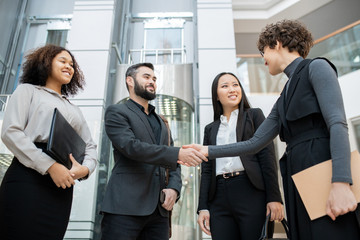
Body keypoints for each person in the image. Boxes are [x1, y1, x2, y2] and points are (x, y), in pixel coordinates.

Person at [185, 19, 360, 239]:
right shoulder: (283, 95)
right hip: (296, 174)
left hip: (323, 169)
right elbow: (254, 143)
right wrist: (206, 151)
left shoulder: (317, 67)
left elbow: (337, 123)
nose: (263, 60)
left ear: (276, 43)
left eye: (263, 51)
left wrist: (341, 182)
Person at [0, 44, 98, 240]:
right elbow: (10, 132)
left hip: (62, 186)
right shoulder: (27, 91)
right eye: (63, 61)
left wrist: (85, 170)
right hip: (27, 176)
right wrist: (50, 166)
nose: (69, 67)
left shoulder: (74, 109)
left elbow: (90, 147)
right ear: (46, 62)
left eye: (72, 64)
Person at [100, 62, 207, 240]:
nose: (152, 82)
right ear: (130, 81)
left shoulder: (162, 121)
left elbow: (173, 162)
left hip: (159, 212)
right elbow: (131, 147)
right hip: (124, 207)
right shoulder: (117, 112)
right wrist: (177, 154)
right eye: (146, 77)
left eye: (155, 79)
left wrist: (174, 188)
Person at [197, 72, 284, 240]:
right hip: (219, 198)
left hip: (250, 191)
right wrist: (203, 207)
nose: (232, 89)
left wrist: (274, 197)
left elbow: (268, 159)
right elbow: (206, 171)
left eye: (235, 85)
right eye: (225, 86)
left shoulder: (255, 116)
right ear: (216, 95)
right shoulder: (210, 129)